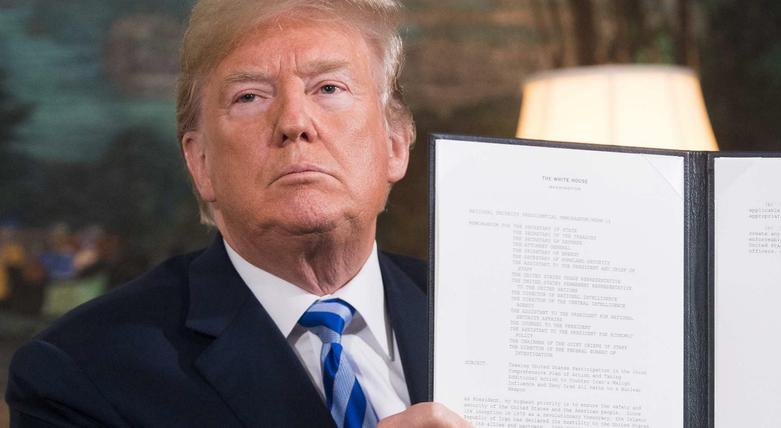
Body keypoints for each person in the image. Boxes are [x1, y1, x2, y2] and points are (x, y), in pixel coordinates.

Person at [5, 0, 470, 426]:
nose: (294, 123)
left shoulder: (482, 316)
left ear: (394, 145)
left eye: (329, 87)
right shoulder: (79, 372)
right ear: (201, 163)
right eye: (250, 96)